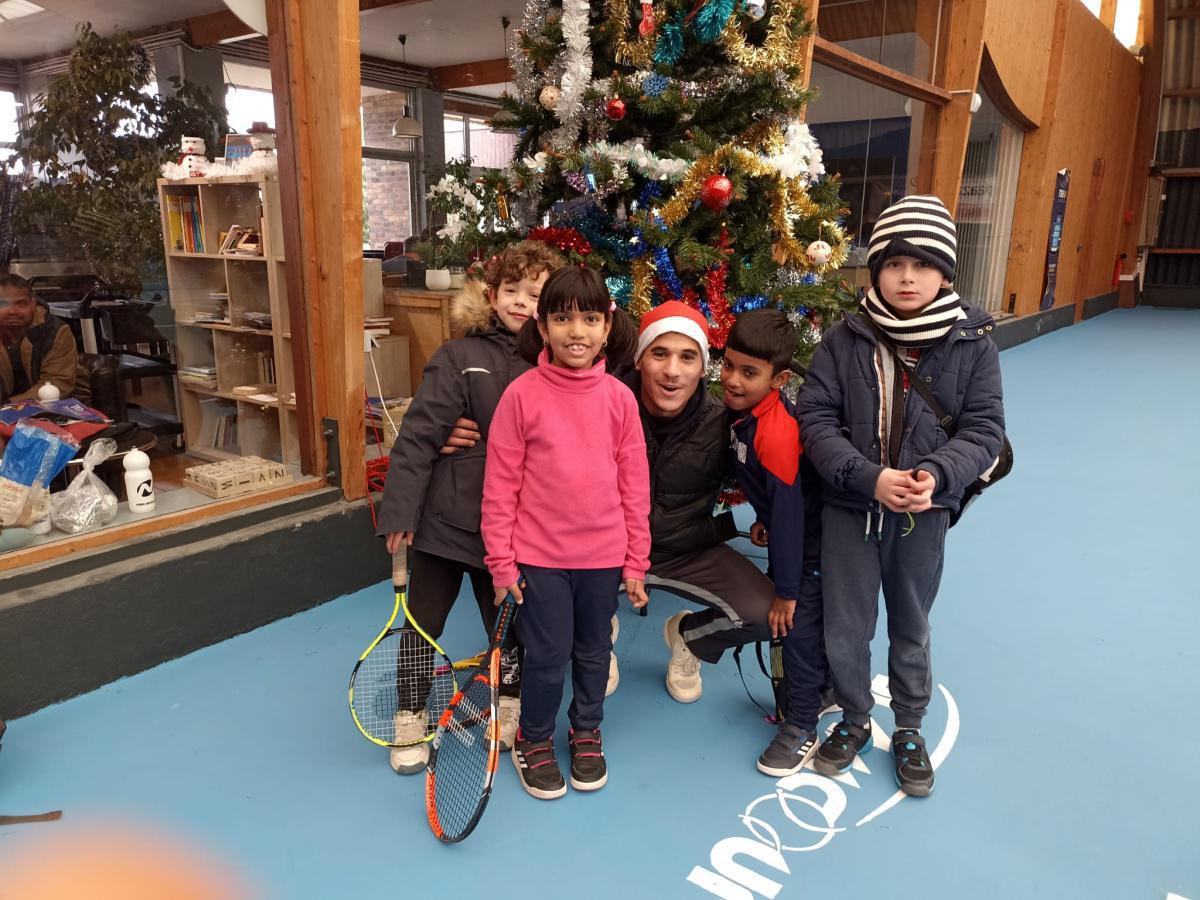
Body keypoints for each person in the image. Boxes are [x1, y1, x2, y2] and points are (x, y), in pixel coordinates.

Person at [444, 301, 779, 706]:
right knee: (555, 629)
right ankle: (599, 633)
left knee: (765, 612)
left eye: (687, 357)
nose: (672, 371)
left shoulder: (723, 421)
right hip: (600, 553)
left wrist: (770, 516)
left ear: (703, 367)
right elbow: (522, 434)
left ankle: (688, 638)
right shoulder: (603, 399)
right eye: (660, 353)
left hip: (686, 549)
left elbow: (767, 469)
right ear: (639, 359)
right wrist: (444, 434)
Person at [797, 195, 1005, 797]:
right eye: (892, 263)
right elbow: (815, 420)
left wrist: (937, 475)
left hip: (923, 516)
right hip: (851, 510)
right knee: (847, 623)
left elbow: (985, 430)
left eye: (921, 264)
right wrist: (866, 477)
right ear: (876, 269)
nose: (906, 276)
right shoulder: (844, 338)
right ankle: (856, 717)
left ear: (945, 272)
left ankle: (909, 725)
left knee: (911, 623)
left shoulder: (974, 346)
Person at [376, 240, 564, 775]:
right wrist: (400, 510)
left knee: (508, 629)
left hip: (504, 536)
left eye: (538, 295)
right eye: (514, 291)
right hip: (443, 526)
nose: (524, 304)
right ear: (492, 294)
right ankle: (409, 714)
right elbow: (417, 436)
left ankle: (509, 705)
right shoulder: (458, 357)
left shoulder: (555, 365)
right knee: (422, 624)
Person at [482, 265, 648, 800]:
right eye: (562, 318)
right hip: (540, 560)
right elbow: (500, 486)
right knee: (548, 655)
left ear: (607, 325)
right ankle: (533, 740)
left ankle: (586, 731)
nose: (576, 331)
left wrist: (635, 561)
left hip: (602, 559)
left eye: (589, 318)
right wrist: (501, 564)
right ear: (542, 323)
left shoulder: (621, 400)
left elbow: (634, 487)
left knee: (594, 651)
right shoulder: (521, 396)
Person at [721, 309, 828, 776]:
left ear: (779, 378)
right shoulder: (745, 417)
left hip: (813, 546)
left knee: (795, 629)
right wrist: (762, 517)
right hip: (791, 534)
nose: (733, 381)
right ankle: (819, 690)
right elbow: (775, 503)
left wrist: (786, 590)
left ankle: (801, 724)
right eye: (728, 366)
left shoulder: (778, 432)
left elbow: (791, 516)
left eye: (750, 373)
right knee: (794, 628)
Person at [0, 274, 88, 405]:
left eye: (21, 303)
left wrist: (8, 406)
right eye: (3, 304)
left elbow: (57, 382)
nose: (13, 311)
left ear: (33, 304)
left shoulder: (55, 331)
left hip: (51, 406)